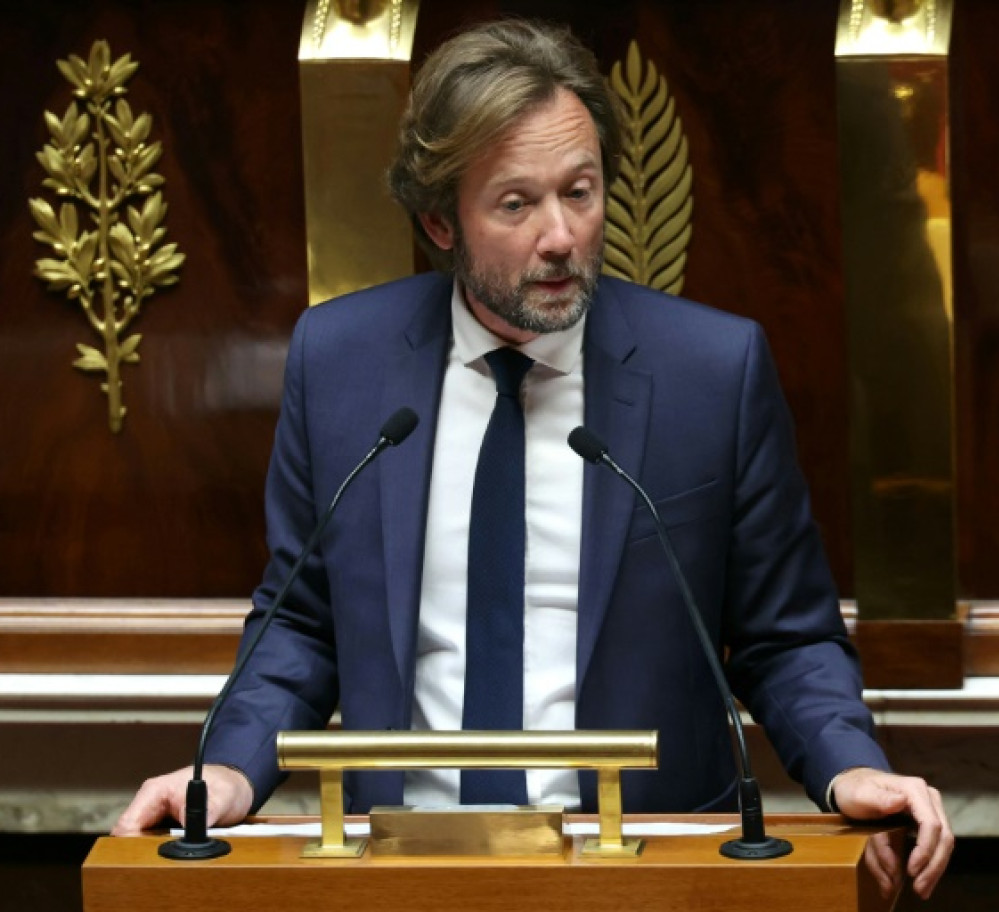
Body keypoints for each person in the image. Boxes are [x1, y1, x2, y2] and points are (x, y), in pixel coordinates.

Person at [113, 18, 953, 900]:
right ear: (440, 220)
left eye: (580, 193)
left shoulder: (712, 373)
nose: (561, 236)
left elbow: (785, 636)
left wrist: (847, 768)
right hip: (395, 872)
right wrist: (229, 775)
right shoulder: (341, 364)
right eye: (516, 205)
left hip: (643, 872)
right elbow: (301, 617)